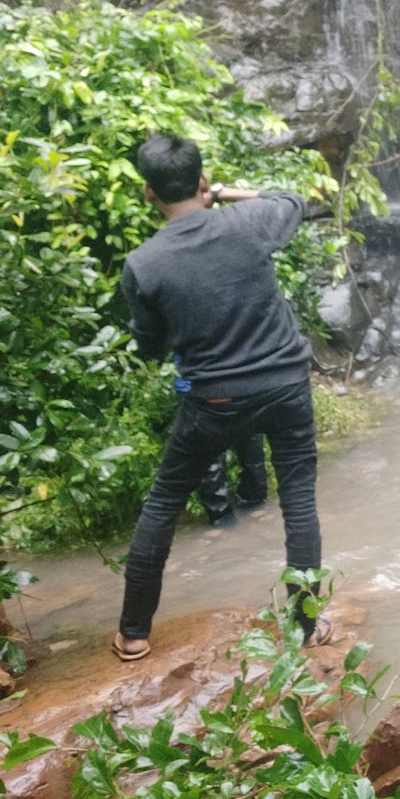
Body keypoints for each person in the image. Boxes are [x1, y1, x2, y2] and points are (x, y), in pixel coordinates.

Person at [114, 134, 326, 661]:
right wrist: (227, 194)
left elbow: (150, 345)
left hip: (215, 402)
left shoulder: (144, 264)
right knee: (298, 499)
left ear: (148, 194)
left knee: (163, 503)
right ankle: (306, 628)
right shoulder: (248, 223)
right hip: (286, 384)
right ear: (202, 181)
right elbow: (292, 200)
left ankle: (135, 633)